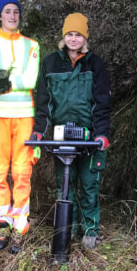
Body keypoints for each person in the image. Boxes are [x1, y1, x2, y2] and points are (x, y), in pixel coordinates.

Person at [32, 12, 110, 249]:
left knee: (88, 184)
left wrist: (102, 133)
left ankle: (89, 230)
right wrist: (38, 131)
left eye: (78, 35)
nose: (73, 39)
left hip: (88, 135)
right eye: (69, 34)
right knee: (65, 183)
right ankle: (66, 229)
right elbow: (43, 101)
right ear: (63, 36)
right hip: (61, 135)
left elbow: (102, 103)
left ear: (84, 38)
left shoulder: (95, 64)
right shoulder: (50, 63)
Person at [0, 0, 40, 254]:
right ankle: (3, 224)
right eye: (7, 11)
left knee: (22, 172)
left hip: (24, 114)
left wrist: (4, 80)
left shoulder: (32, 45)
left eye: (16, 11)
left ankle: (19, 227)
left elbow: (31, 79)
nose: (12, 15)